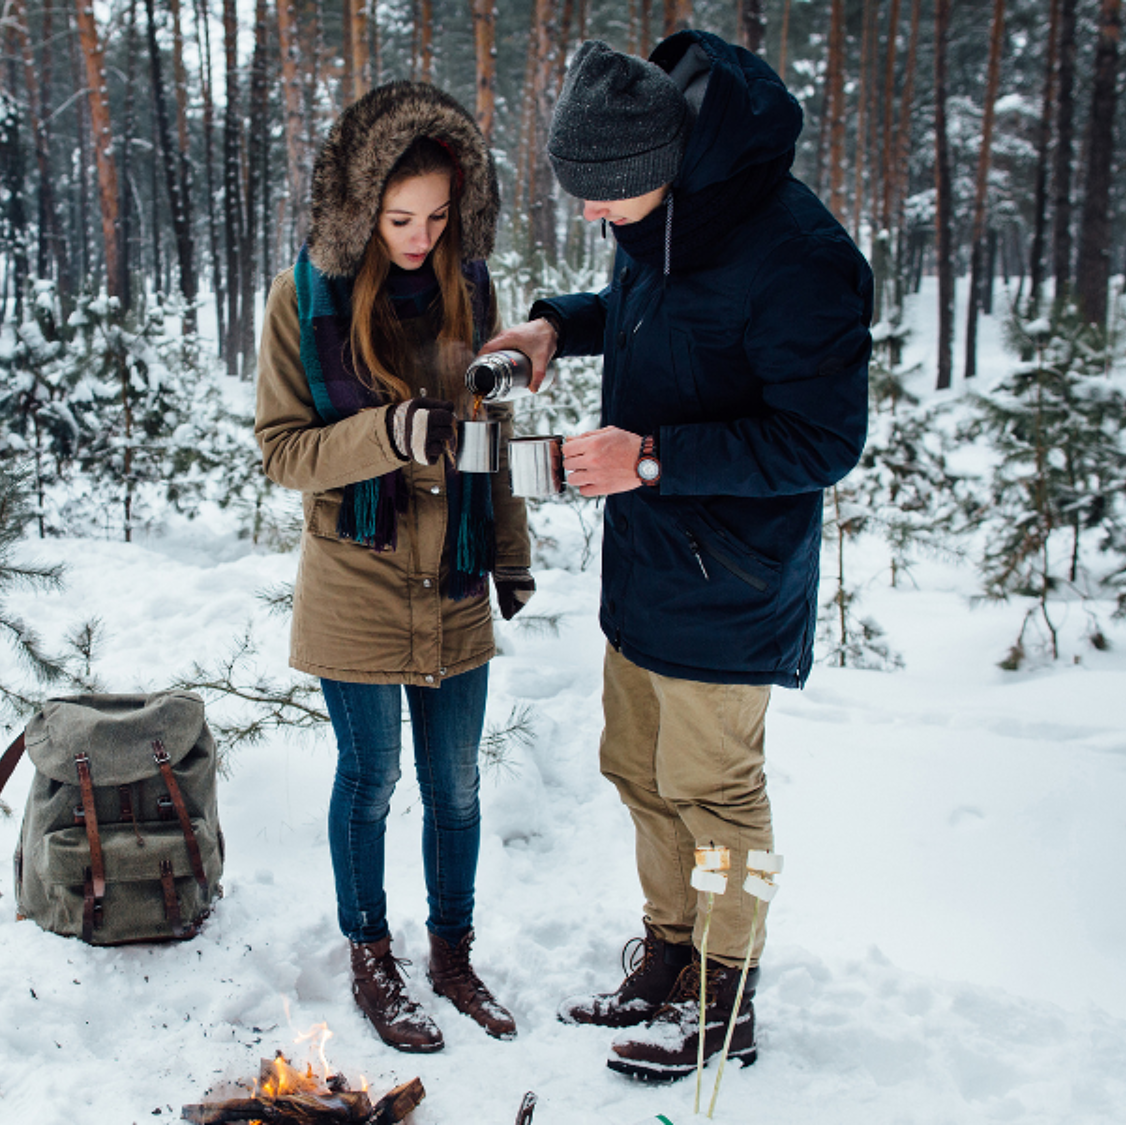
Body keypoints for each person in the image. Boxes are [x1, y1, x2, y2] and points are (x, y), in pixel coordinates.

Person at [479, 32, 871, 1080]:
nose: (590, 219)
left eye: (602, 201)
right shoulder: (663, 210)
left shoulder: (800, 257)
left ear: (658, 168)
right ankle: (668, 952)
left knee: (713, 792)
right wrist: (554, 326)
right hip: (648, 568)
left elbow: (824, 441)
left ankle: (725, 1000)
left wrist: (648, 456)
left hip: (731, 583)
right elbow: (659, 315)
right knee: (639, 775)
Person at [254, 81, 534, 1054]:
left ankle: (450, 954)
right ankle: (371, 955)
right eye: (399, 216)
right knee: (369, 778)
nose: (419, 237)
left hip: (451, 580)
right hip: (357, 580)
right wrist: (382, 433)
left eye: (439, 217)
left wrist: (507, 551)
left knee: (454, 786)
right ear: (361, 206)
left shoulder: (473, 290)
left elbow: (490, 433)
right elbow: (284, 449)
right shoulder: (305, 296)